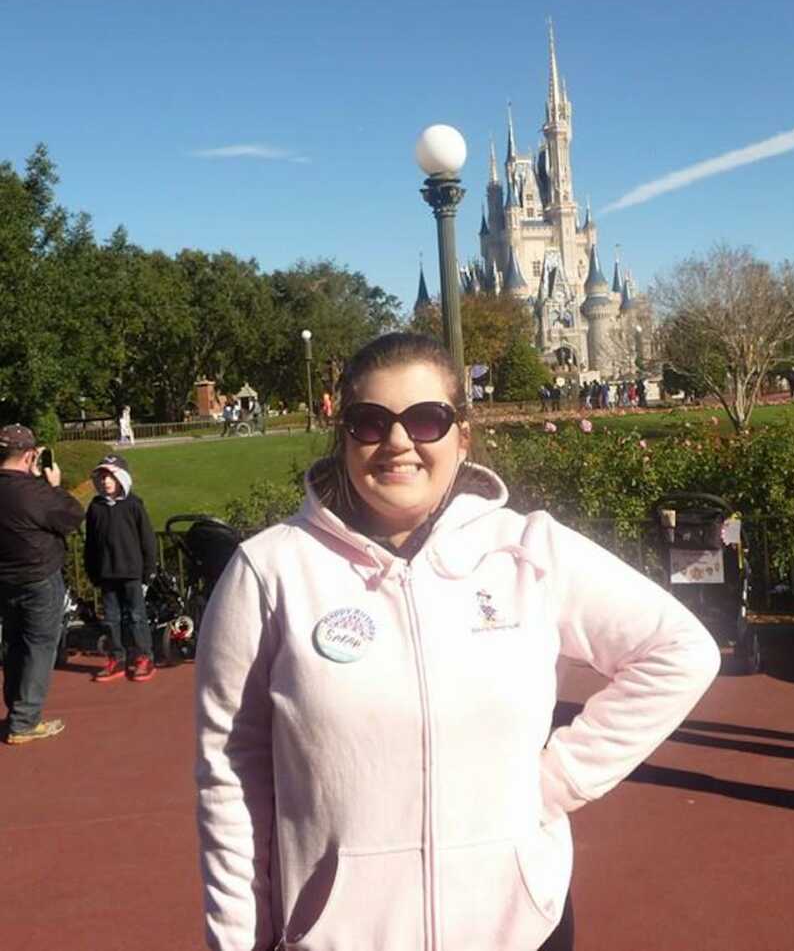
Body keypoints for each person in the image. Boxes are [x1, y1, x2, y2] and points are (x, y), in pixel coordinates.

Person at [194, 332, 720, 951]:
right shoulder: (271, 570)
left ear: (461, 435)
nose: (398, 442)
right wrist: (238, 941)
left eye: (426, 419)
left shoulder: (528, 549)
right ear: (343, 435)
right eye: (371, 422)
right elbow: (229, 767)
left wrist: (554, 783)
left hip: (517, 930)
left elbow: (679, 650)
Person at [0, 424, 84, 744]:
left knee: (15, 645)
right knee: (39, 646)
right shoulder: (34, 492)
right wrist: (53, 486)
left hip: (6, 581)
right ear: (30, 455)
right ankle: (24, 721)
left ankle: (17, 711)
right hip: (38, 578)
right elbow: (72, 515)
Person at [84, 454, 157, 683]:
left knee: (136, 616)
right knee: (111, 619)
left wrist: (148, 570)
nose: (106, 481)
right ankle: (117, 658)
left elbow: (147, 539)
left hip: (131, 573)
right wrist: (92, 572)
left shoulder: (134, 505)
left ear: (121, 478)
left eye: (111, 476)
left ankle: (144, 657)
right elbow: (91, 544)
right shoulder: (95, 507)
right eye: (102, 477)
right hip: (107, 574)